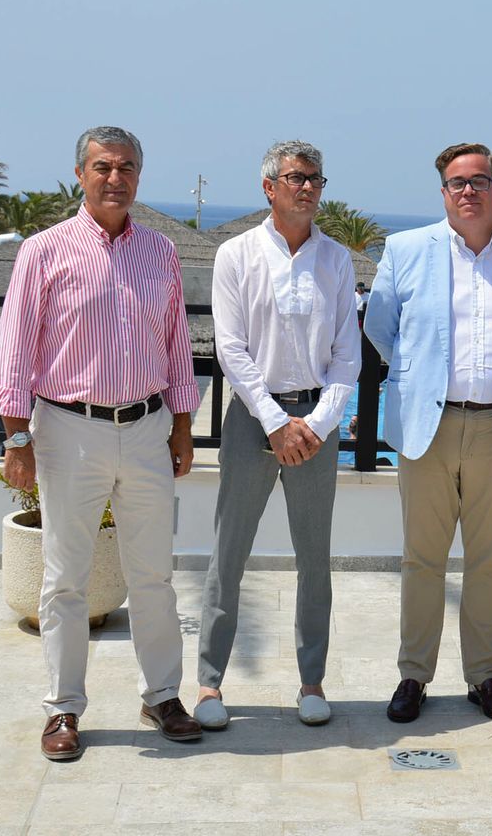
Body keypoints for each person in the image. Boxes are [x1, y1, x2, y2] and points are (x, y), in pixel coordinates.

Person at [0, 126, 203, 761]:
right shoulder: (43, 250)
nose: (117, 177)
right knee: (65, 580)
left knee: (154, 575)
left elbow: (175, 348)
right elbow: (15, 350)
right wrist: (17, 437)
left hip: (145, 430)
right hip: (67, 431)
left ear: (140, 175)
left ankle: (163, 694)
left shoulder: (161, 253)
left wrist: (183, 426)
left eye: (128, 167)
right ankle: (62, 710)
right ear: (80, 174)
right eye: (104, 166)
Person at [364, 142, 492, 724]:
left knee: (490, 560)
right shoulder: (405, 250)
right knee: (421, 560)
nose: (468, 191)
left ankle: (484, 676)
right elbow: (383, 330)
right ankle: (413, 676)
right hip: (427, 424)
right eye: (457, 183)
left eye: (479, 181)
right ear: (444, 193)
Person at [195, 141, 362, 730]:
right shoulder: (236, 255)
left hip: (316, 424)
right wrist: (273, 421)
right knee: (229, 552)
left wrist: (313, 426)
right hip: (251, 421)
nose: (308, 188)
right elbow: (231, 349)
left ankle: (312, 681)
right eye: (296, 178)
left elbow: (347, 357)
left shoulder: (337, 260)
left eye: (316, 178)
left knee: (314, 558)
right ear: (269, 186)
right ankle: (210, 684)